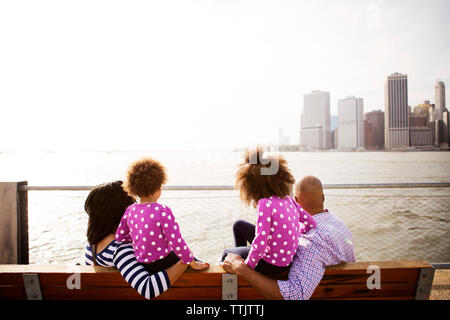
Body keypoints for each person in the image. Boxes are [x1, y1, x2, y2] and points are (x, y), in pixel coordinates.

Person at [222, 175, 355, 299]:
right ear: (323, 197)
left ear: (296, 201)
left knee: (227, 255)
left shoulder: (310, 243)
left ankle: (232, 283)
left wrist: (244, 270)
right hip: (348, 287)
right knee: (239, 226)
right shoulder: (340, 225)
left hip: (276, 264)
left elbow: (296, 295)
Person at [84, 181, 189, 299]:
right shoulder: (120, 250)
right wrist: (184, 261)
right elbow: (148, 288)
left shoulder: (91, 245)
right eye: (134, 204)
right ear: (122, 210)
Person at [221, 148, 317, 275]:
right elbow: (311, 223)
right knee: (239, 225)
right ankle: (241, 252)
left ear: (253, 185)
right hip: (286, 262)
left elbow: (261, 242)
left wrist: (247, 268)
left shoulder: (265, 204)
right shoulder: (289, 200)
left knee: (227, 254)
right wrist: (289, 234)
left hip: (271, 265)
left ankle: (240, 263)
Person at [115, 157, 209, 274]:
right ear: (157, 187)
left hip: (142, 263)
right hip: (163, 262)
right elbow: (176, 241)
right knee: (189, 254)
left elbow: (120, 236)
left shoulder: (130, 210)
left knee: (185, 254)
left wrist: (141, 243)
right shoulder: (161, 210)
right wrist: (191, 261)